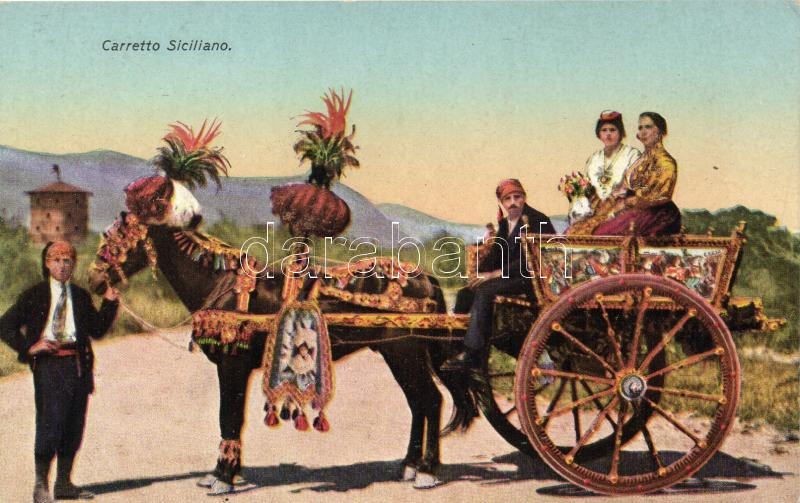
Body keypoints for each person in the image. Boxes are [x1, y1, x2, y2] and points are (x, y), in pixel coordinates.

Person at [0, 241, 119, 503]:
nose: (63, 266)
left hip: (78, 366)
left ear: (73, 265)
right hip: (49, 366)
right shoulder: (34, 295)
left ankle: (64, 484)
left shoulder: (80, 296)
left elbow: (97, 330)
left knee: (74, 425)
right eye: (57, 260)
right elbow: (5, 326)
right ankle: (41, 485)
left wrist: (109, 304)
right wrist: (30, 347)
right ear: (47, 263)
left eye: (68, 261)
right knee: (50, 425)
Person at [444, 179, 555, 370]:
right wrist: (477, 274)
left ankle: (474, 353)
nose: (512, 202)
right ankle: (456, 347)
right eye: (507, 199)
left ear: (524, 197)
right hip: (510, 277)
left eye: (517, 197)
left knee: (485, 291)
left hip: (531, 278)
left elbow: (535, 260)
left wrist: (492, 275)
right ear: (501, 202)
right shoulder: (505, 224)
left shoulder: (538, 219)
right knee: (465, 293)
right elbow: (497, 254)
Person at [568, 112, 681, 236]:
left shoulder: (665, 161)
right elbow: (622, 188)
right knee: (582, 227)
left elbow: (658, 197)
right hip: (633, 209)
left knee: (602, 232)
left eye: (648, 127)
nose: (643, 131)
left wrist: (625, 204)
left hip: (658, 213)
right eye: (640, 128)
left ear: (660, 131)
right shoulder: (641, 160)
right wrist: (605, 210)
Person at [584, 110, 641, 202]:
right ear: (599, 133)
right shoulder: (593, 158)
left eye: (612, 130)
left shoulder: (632, 155)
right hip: (597, 209)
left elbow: (636, 187)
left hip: (624, 209)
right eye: (604, 130)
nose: (608, 134)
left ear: (621, 132)